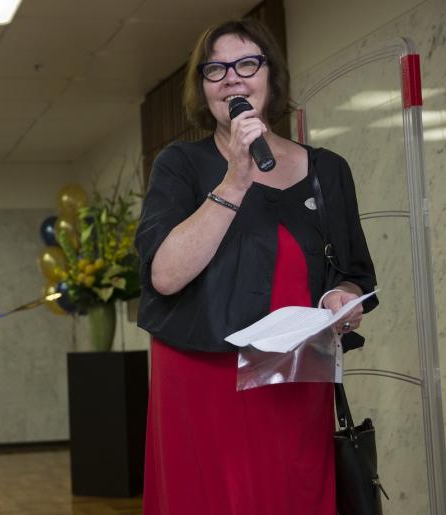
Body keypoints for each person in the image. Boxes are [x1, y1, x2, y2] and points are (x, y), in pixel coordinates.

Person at [135, 18, 378, 515]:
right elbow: (166, 275)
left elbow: (351, 270)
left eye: (247, 63)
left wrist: (343, 297)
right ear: (203, 89)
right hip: (202, 375)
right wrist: (235, 179)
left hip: (294, 375)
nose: (232, 78)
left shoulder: (328, 169)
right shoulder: (179, 164)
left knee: (291, 494)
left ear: (270, 76)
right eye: (216, 69)